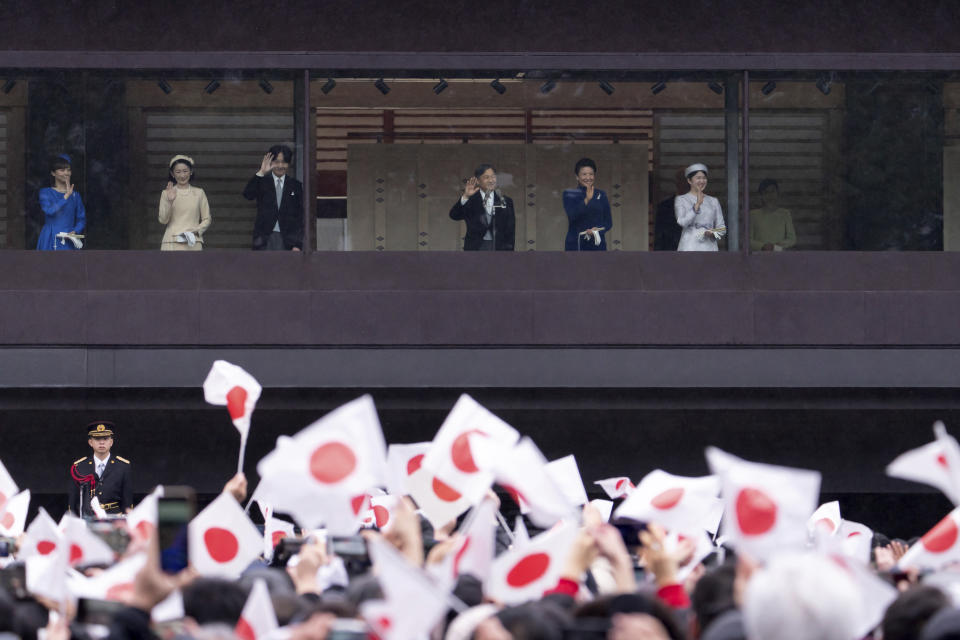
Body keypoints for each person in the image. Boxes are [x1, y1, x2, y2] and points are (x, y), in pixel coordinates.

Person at [243, 144, 303, 251]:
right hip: (264, 239)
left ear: (288, 164)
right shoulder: (263, 182)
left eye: (284, 162)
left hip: (288, 240)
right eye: (276, 162)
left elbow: (300, 217)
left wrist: (298, 244)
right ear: (271, 162)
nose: (280, 165)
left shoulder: (295, 185)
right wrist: (261, 172)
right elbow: (248, 195)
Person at [68, 421, 132, 517]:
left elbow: (127, 501)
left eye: (105, 438)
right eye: (97, 439)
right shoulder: (80, 467)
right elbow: (73, 502)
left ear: (111, 442)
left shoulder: (123, 466)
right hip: (88, 519)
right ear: (90, 442)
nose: (102, 442)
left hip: (114, 518)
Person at [448, 164, 515, 251]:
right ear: (478, 181)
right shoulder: (471, 199)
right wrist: (465, 196)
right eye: (486, 177)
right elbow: (454, 215)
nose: (491, 180)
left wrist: (510, 252)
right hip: (475, 246)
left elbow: (510, 230)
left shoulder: (506, 201)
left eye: (493, 177)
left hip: (499, 247)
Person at [159, 155, 211, 251]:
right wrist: (170, 201)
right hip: (171, 242)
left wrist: (195, 231)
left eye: (185, 171)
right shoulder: (166, 193)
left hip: (193, 242)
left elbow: (207, 219)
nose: (182, 175)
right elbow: (163, 220)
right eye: (178, 172)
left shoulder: (199, 193)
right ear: (172, 173)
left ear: (191, 172)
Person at [37, 154, 86, 251]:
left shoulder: (75, 196)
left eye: (68, 170)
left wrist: (75, 231)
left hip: (69, 239)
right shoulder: (45, 192)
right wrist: (66, 196)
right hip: (50, 238)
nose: (66, 173)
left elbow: (82, 219)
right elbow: (50, 211)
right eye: (62, 170)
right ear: (53, 173)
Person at [563, 158, 612, 251]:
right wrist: (587, 199)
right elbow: (572, 216)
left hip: (597, 244)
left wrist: (596, 230)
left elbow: (608, 222)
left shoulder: (601, 194)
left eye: (591, 174)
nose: (588, 177)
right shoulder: (569, 194)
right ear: (577, 176)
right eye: (584, 174)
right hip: (575, 244)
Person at [675, 163, 725, 252]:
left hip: (709, 247)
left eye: (704, 178)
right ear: (689, 181)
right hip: (689, 246)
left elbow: (722, 229)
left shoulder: (713, 201)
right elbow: (682, 222)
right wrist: (697, 205)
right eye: (698, 178)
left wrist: (712, 233)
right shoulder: (681, 199)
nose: (702, 181)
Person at [750, 178, 796, 251]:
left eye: (772, 191)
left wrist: (777, 246)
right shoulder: (753, 215)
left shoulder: (785, 214)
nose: (770, 196)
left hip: (780, 256)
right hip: (759, 256)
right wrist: (763, 246)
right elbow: (748, 240)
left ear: (778, 193)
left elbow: (792, 239)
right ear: (761, 196)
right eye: (766, 192)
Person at [653, 169, 686, 251]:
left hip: (696, 257)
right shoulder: (664, 207)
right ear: (677, 183)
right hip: (670, 256)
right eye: (681, 180)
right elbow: (659, 239)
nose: (685, 184)